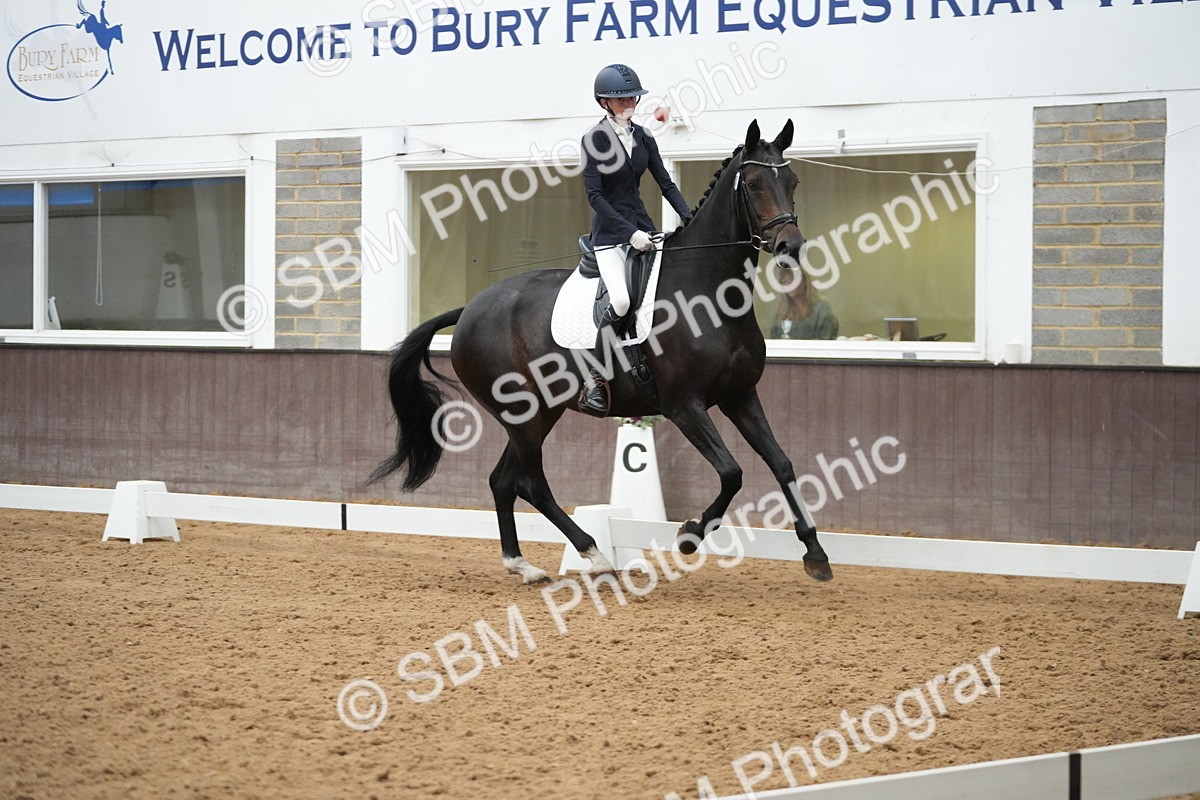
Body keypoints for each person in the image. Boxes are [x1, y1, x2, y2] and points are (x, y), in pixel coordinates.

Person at [578, 63, 692, 415]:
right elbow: (595, 197)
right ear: (604, 102)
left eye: (632, 96)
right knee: (624, 302)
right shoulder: (594, 140)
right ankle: (594, 379)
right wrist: (629, 234)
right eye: (621, 98)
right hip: (611, 236)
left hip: (644, 227)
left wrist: (690, 218)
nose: (629, 101)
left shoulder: (644, 136)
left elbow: (665, 182)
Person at [770, 268, 839, 340]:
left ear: (805, 281)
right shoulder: (782, 312)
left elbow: (825, 343)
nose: (789, 285)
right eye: (784, 282)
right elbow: (773, 341)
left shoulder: (821, 309)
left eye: (793, 279)